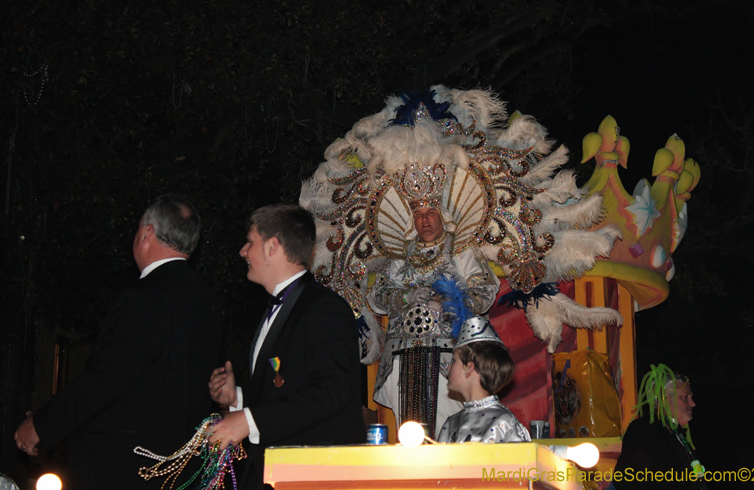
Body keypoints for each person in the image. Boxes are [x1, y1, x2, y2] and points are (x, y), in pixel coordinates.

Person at [14, 194, 224, 490]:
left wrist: (42, 426)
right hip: (182, 469)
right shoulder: (208, 301)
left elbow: (106, 379)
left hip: (127, 469)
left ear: (147, 232)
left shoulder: (144, 298)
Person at [207, 204, 364, 490]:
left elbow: (333, 391)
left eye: (250, 242)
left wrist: (247, 420)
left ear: (272, 247)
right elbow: (288, 388)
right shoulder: (277, 309)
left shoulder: (325, 308)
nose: (243, 251)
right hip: (277, 471)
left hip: (313, 473)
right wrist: (238, 400)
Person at [367, 188, 500, 436]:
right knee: (408, 432)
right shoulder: (399, 256)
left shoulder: (461, 250)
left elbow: (484, 293)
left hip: (448, 355)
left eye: (430, 213)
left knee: (449, 427)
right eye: (418, 214)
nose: (424, 219)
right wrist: (406, 296)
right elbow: (377, 297)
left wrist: (450, 302)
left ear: (443, 216)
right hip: (403, 355)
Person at [613, 364, 708, 489]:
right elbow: (628, 479)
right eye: (685, 398)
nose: (693, 403)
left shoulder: (678, 432)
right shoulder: (644, 429)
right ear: (665, 399)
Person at [437, 316, 530, 443]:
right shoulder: (451, 423)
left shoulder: (503, 422)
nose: (448, 367)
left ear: (469, 368)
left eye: (454, 360)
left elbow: (521, 461)